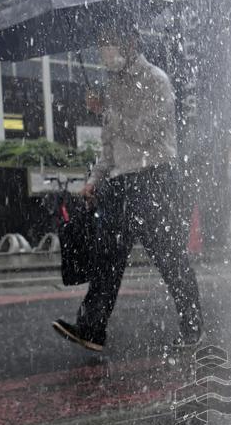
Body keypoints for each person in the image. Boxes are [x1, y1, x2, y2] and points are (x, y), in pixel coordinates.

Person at [52, 31, 202, 353]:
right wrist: (94, 180)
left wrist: (109, 109)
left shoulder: (156, 81)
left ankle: (192, 326)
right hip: (120, 185)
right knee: (108, 257)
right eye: (101, 46)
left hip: (155, 181)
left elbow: (146, 132)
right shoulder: (113, 85)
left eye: (107, 45)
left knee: (169, 258)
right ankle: (92, 329)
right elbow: (110, 148)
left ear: (130, 45)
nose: (103, 53)